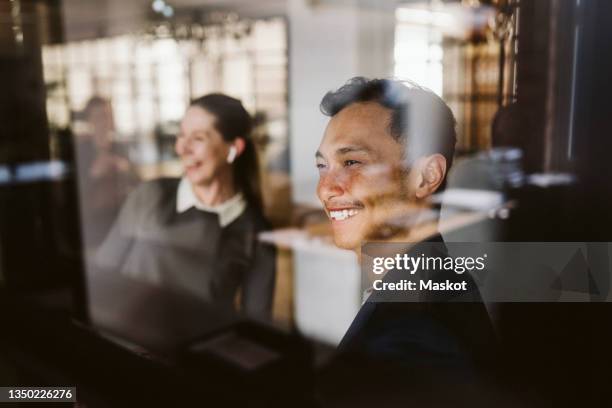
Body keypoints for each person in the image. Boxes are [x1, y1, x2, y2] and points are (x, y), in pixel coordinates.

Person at [314, 77, 496, 371]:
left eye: (352, 163)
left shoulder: (419, 337)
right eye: (323, 166)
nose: (325, 190)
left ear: (426, 176)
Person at [94, 94, 276, 320]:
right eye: (181, 136)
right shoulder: (151, 196)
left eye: (198, 138)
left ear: (233, 148)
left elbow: (256, 325)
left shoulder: (256, 231)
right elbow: (101, 280)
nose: (182, 148)